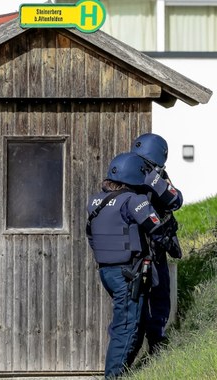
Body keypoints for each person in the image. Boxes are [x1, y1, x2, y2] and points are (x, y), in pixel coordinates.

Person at [86, 152, 174, 379]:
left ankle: (125, 373)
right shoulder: (134, 201)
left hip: (108, 272)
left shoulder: (95, 202)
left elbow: (91, 237)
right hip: (128, 273)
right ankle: (113, 376)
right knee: (127, 327)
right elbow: (156, 228)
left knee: (131, 322)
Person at [130, 132, 183, 355]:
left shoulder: (125, 172)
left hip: (130, 251)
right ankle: (156, 345)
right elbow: (175, 199)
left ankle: (133, 351)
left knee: (133, 304)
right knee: (158, 298)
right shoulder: (152, 176)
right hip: (153, 246)